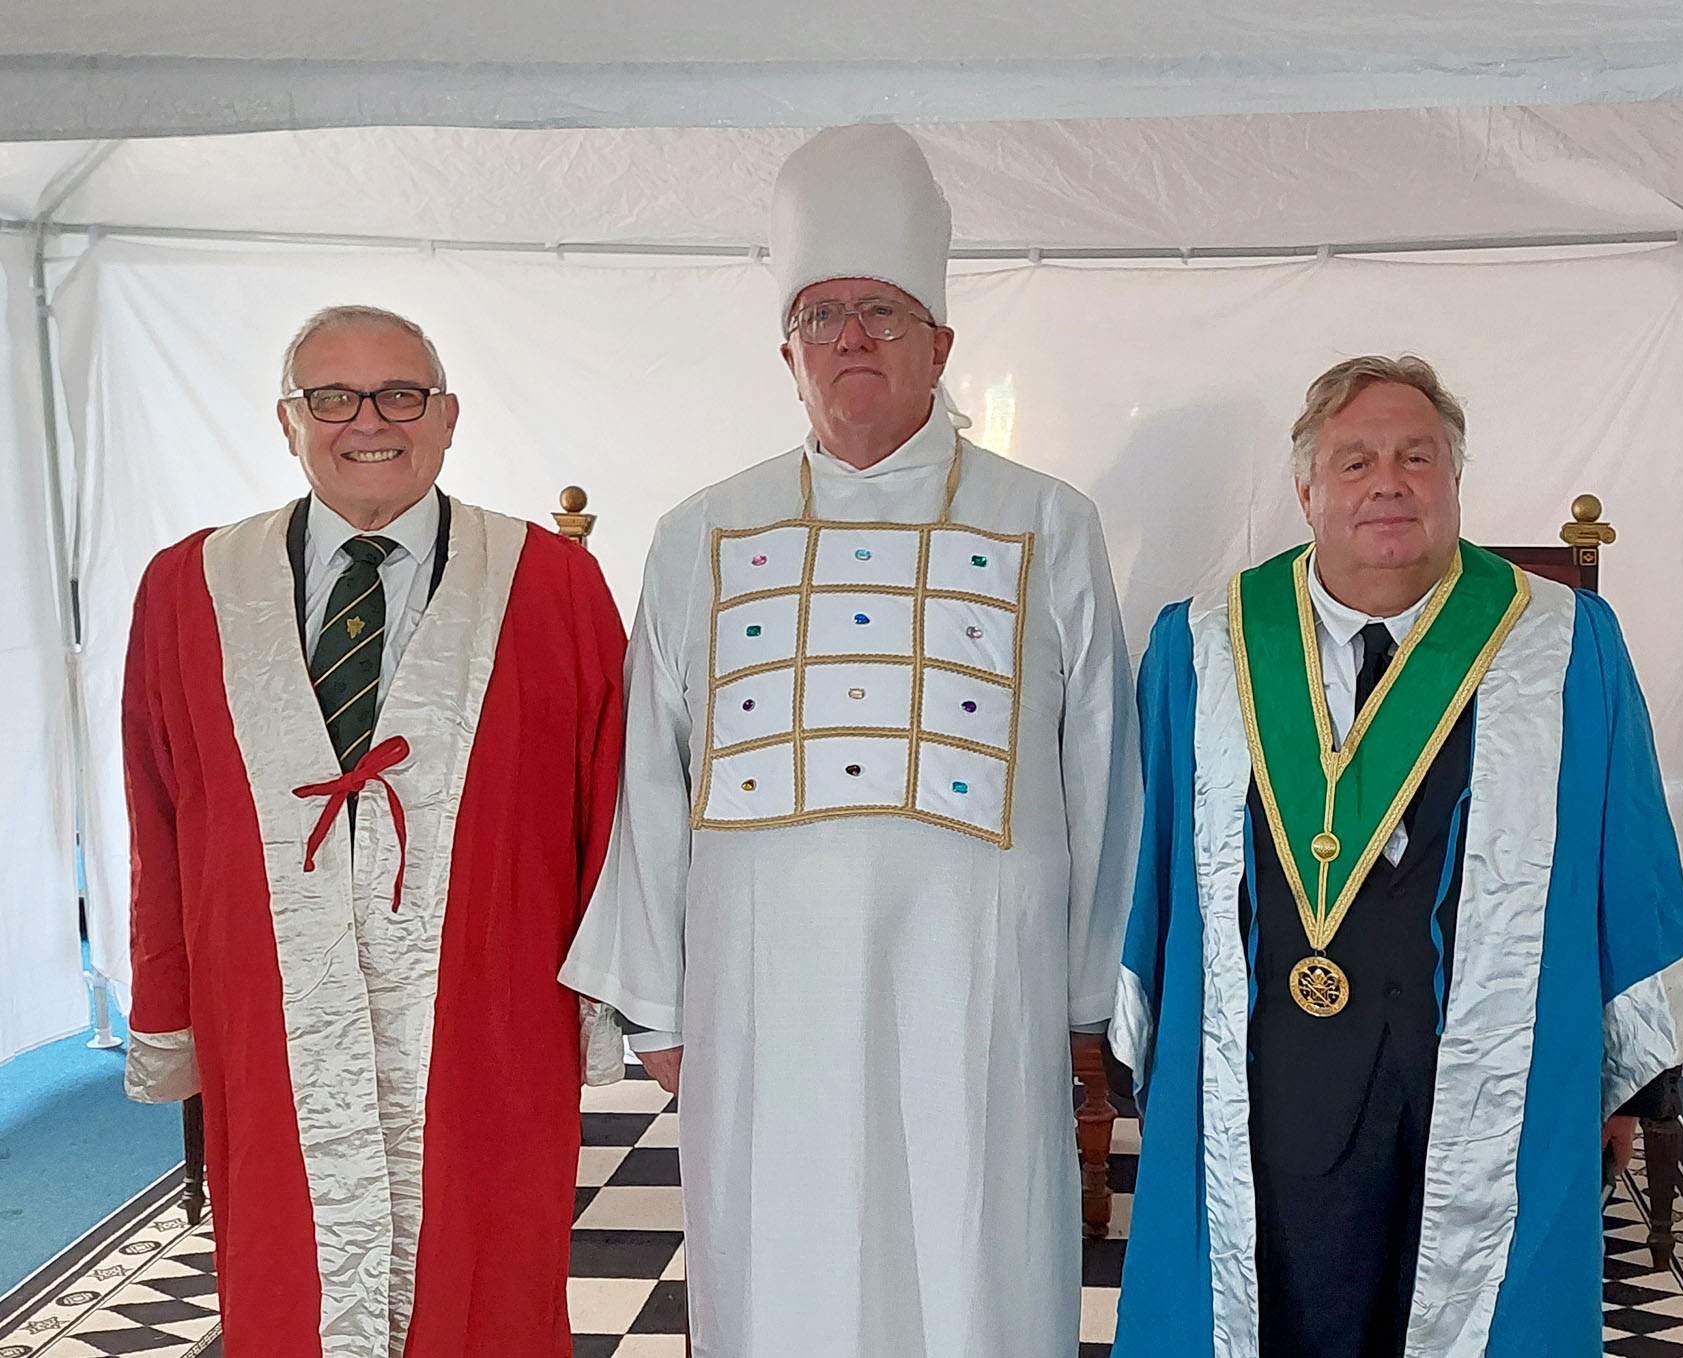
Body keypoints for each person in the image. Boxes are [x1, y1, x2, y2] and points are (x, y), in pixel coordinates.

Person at [560, 124, 1141, 1358]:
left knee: (976, 1247)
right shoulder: (698, 533)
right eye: (824, 314)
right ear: (788, 350)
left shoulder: (1050, 521)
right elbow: (650, 784)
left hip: (985, 979)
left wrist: (1094, 994)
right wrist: (658, 1003)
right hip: (765, 988)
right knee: (783, 1259)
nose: (854, 338)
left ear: (940, 339)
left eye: (883, 310)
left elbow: (1101, 767)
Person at [1111, 355, 1683, 1357]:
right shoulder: (1202, 646)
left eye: (1416, 456)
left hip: (1480, 1072)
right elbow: (1158, 877)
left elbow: (1632, 859)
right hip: (1266, 1075)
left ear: (1454, 480)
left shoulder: (1565, 645)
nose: (1387, 480)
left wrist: (1632, 1086)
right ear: (1307, 489)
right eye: (1355, 460)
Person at [122, 305, 628, 1357]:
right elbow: (157, 812)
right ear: (287, 419)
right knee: (287, 1273)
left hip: (492, 1014)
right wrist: (169, 1000)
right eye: (332, 397)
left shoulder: (552, 582)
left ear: (447, 417)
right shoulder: (188, 587)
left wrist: (613, 998)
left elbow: (612, 810)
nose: (369, 421)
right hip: (269, 1011)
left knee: (489, 1273)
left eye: (401, 393)